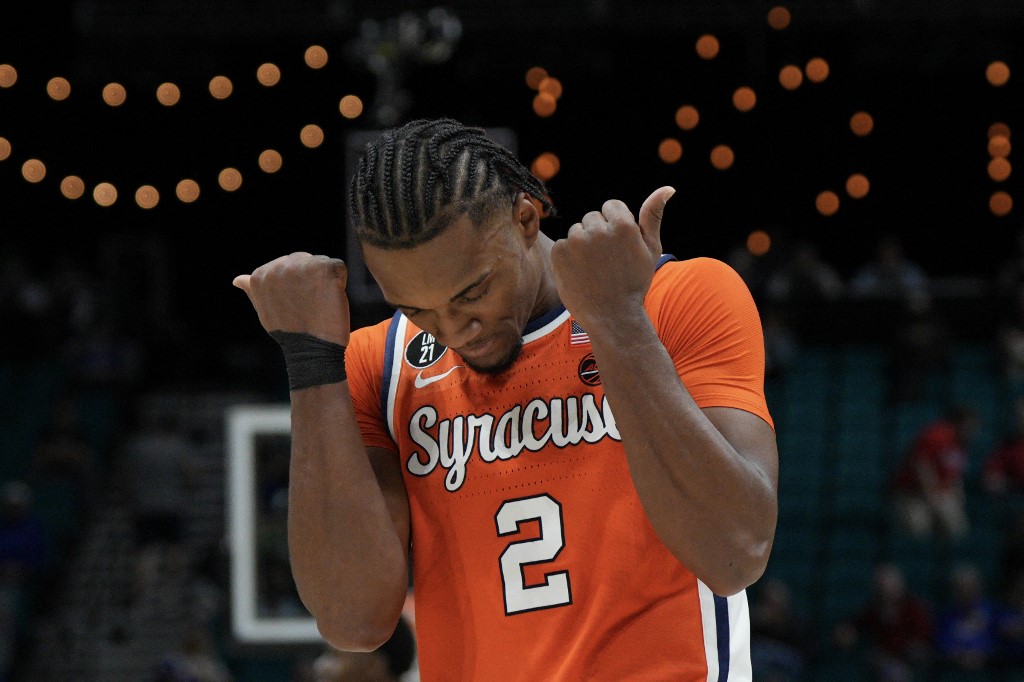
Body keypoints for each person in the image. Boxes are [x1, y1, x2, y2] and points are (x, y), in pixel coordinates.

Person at [233, 117, 779, 680]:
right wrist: (309, 361)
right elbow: (353, 621)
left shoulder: (675, 298)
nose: (454, 329)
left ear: (525, 216)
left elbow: (735, 552)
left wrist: (616, 320)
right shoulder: (381, 364)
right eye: (417, 310)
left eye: (473, 292)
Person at [888, 405, 979, 542]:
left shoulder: (963, 444)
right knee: (917, 527)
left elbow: (954, 474)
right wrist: (931, 495)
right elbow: (921, 464)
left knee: (957, 527)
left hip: (940, 493)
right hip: (912, 493)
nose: (973, 430)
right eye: (970, 425)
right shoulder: (936, 435)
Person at [833, 563, 934, 682]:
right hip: (882, 659)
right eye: (880, 584)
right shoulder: (872, 609)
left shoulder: (914, 608)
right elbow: (855, 625)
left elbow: (921, 639)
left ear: (899, 584)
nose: (884, 588)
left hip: (909, 658)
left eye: (888, 583)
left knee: (901, 666)